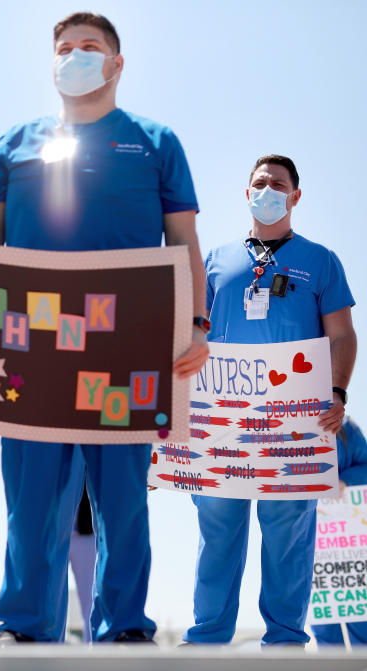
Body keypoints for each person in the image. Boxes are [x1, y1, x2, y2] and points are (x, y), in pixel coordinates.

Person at [0, 12, 210, 644]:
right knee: (30, 503)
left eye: (90, 48)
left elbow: (184, 240)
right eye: (64, 49)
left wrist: (195, 321)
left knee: (124, 505)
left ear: (116, 64)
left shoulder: (156, 140)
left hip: (126, 348)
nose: (74, 57)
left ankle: (125, 631)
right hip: (30, 347)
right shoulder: (15, 142)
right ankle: (24, 628)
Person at [184, 154, 356, 646]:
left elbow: (342, 335)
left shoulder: (320, 261)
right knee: (217, 534)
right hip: (222, 424)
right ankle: (207, 641)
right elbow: (188, 340)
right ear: (246, 192)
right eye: (260, 183)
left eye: (278, 184)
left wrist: (338, 391)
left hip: (294, 424)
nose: (268, 190)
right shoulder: (214, 263)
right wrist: (171, 436)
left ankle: (283, 643)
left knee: (287, 538)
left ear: (295, 196)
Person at [311, 417, 367, 646]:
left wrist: (345, 480)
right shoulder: (284, 426)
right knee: (322, 615)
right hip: (310, 539)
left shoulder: (346, 430)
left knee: (358, 608)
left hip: (349, 536)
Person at [68, 484, 96, 643]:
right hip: (55, 529)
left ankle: (93, 652)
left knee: (90, 599)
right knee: (49, 597)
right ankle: (47, 654)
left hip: (86, 534)